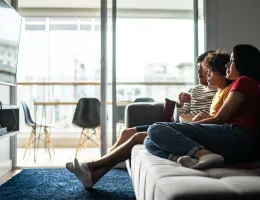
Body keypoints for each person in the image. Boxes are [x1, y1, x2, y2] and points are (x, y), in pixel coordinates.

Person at [64, 50, 217, 189]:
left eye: (202, 68)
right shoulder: (194, 90)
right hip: (176, 126)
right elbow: (178, 118)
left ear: (211, 69)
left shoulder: (217, 91)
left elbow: (212, 118)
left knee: (137, 137)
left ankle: (92, 169)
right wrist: (180, 104)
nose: (199, 72)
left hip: (186, 129)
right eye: (198, 68)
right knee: (126, 132)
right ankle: (94, 172)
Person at [143, 44, 260, 170]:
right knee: (149, 141)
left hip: (237, 137)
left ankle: (204, 155)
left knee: (155, 129)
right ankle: (190, 158)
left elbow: (221, 118)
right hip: (234, 143)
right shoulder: (247, 84)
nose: (227, 65)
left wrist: (190, 126)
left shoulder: (243, 81)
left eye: (232, 61)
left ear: (243, 63)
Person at [192, 50, 232, 122]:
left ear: (223, 73)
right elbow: (214, 116)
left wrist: (196, 123)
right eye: (207, 71)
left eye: (211, 71)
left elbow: (223, 120)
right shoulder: (218, 93)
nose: (207, 75)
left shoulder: (228, 92)